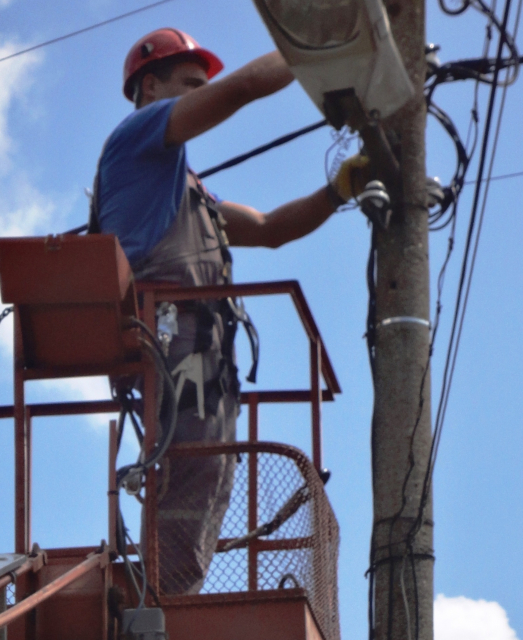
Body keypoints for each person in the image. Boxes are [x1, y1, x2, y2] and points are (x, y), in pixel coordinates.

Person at [90, 28, 368, 595]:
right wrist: (317, 44)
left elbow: (269, 230)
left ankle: (169, 599)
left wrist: (339, 190)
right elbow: (240, 89)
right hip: (174, 342)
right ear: (149, 86)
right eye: (189, 85)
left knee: (211, 475)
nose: (200, 93)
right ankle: (162, 607)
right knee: (193, 473)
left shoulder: (191, 193)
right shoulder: (136, 137)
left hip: (206, 361)